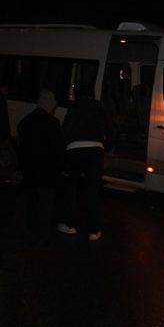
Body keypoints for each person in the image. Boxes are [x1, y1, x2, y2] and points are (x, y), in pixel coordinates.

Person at [58, 85, 108, 241]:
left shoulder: (74, 107)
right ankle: (94, 230)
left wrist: (64, 151)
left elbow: (65, 130)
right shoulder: (101, 108)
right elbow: (111, 130)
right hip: (96, 151)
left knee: (71, 187)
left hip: (75, 149)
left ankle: (69, 224)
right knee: (93, 190)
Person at [17, 90, 64, 246]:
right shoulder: (53, 123)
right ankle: (42, 235)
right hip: (47, 172)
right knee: (45, 204)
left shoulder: (25, 122)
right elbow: (58, 150)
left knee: (31, 201)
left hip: (30, 170)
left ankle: (27, 231)